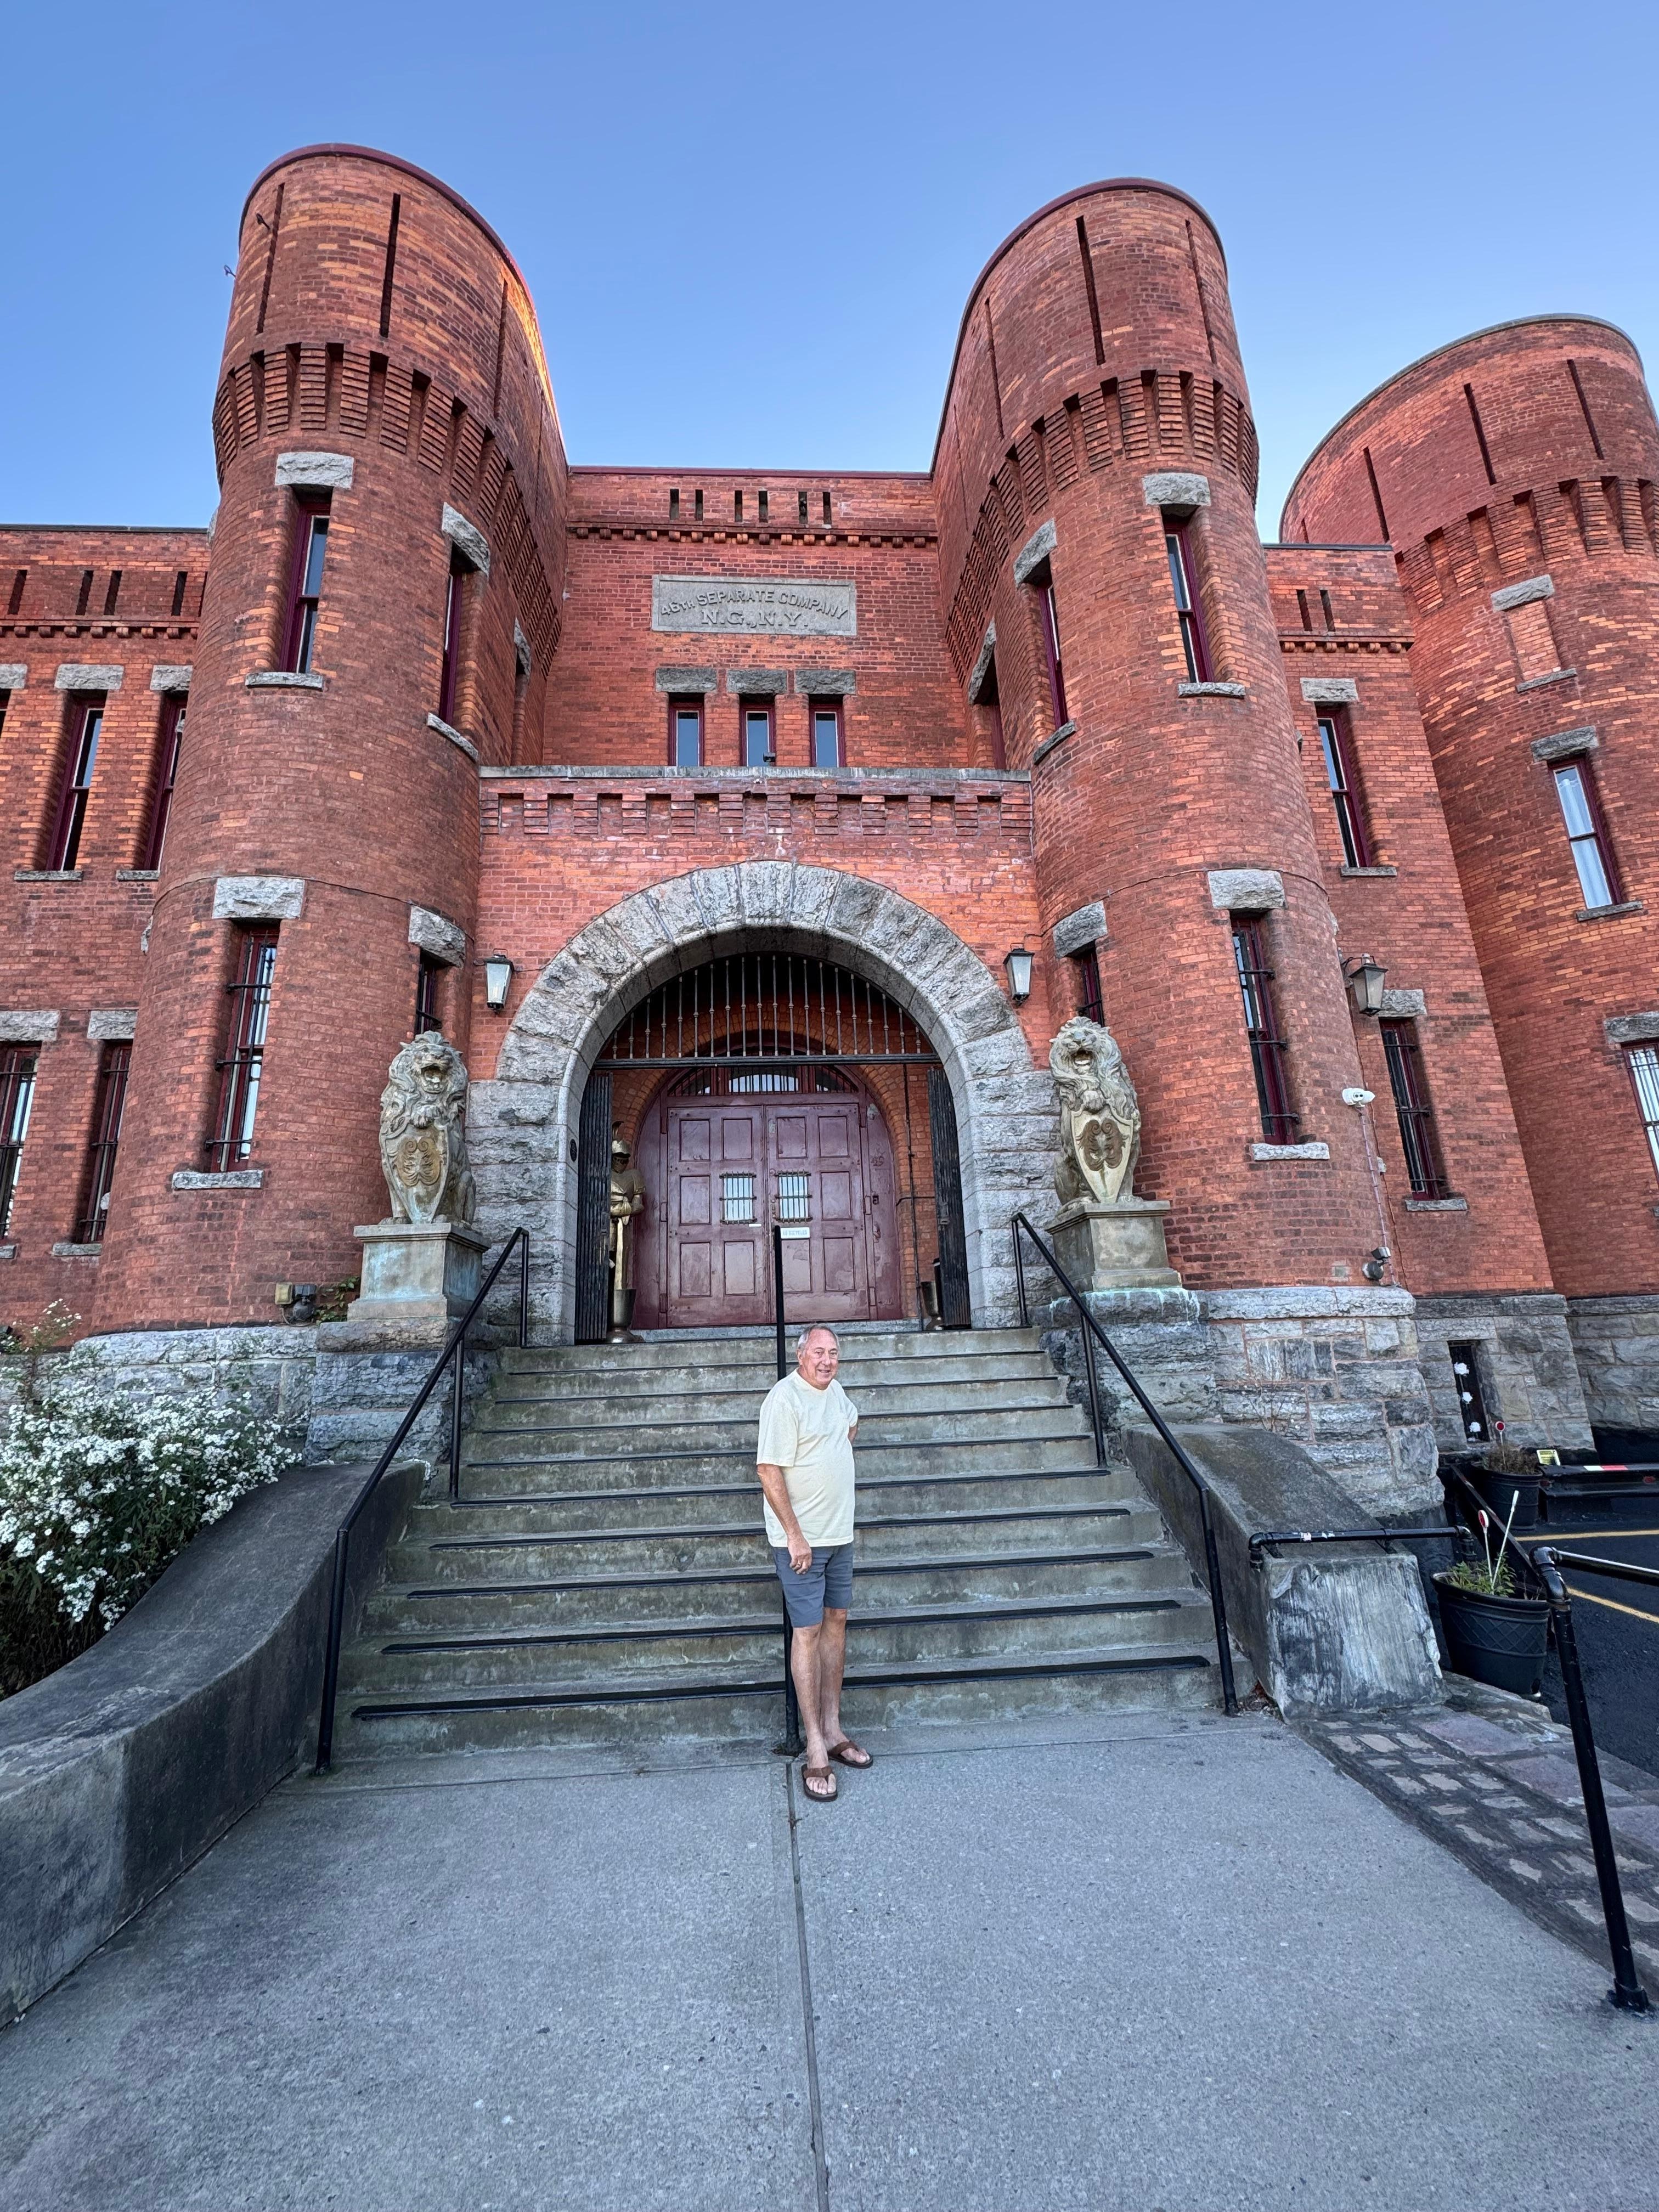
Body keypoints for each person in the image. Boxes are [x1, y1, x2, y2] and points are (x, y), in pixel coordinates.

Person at [755, 1323, 873, 1802]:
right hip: (801, 1543)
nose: (827, 1361)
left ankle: (833, 1727)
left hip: (839, 1535)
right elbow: (768, 1470)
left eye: (834, 1353)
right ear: (800, 1355)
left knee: (837, 1621)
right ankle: (815, 1747)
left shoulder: (837, 1392)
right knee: (807, 1632)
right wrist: (795, 1534)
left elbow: (850, 1426)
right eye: (819, 1352)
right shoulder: (784, 1399)